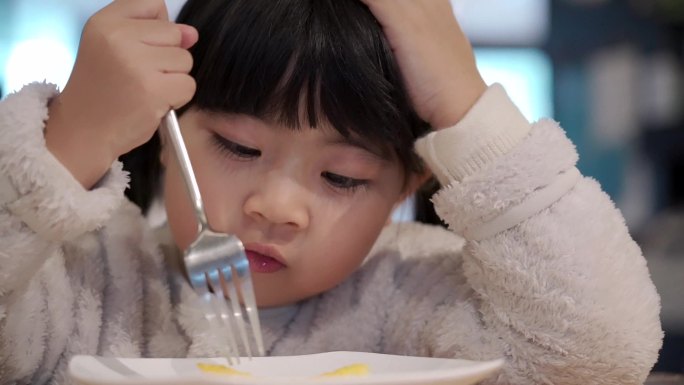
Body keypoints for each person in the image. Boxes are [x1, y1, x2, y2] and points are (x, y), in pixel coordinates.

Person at [0, 0, 663, 384]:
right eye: (237, 146)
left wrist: (467, 108)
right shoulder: (90, 278)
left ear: (409, 181)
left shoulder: (417, 293)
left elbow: (602, 354)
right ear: (165, 140)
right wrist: (65, 145)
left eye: (342, 177)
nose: (275, 207)